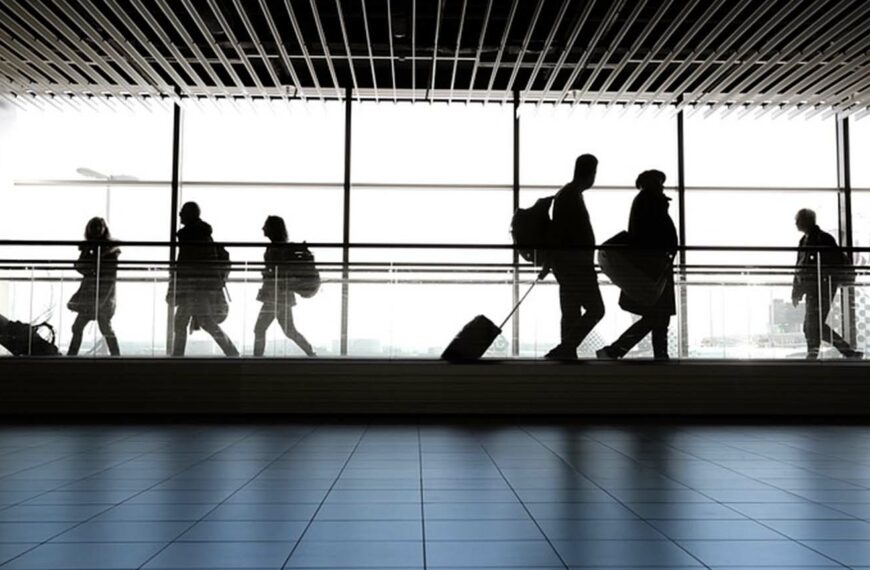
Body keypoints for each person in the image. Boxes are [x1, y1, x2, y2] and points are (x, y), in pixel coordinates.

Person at [597, 170, 677, 360]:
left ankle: (652, 354)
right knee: (658, 316)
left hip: (654, 266)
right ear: (650, 183)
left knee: (658, 316)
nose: (662, 186)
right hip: (654, 267)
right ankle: (617, 351)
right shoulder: (650, 202)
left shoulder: (646, 201)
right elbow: (651, 234)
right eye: (659, 182)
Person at [545, 154, 605, 360]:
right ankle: (565, 348)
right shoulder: (571, 195)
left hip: (567, 263)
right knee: (596, 309)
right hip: (576, 264)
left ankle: (567, 351)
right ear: (590, 173)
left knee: (571, 311)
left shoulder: (567, 194)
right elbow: (564, 233)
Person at [168, 202, 239, 357]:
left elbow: (183, 266)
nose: (179, 215)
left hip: (193, 287)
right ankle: (232, 352)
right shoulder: (204, 235)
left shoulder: (188, 236)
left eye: (182, 212)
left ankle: (177, 357)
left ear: (188, 214)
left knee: (182, 323)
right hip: (205, 286)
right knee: (204, 321)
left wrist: (174, 288)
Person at [791, 208, 862, 360]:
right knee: (813, 325)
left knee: (812, 324)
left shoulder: (820, 239)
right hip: (815, 288)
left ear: (806, 221)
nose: (795, 223)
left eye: (798, 219)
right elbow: (800, 267)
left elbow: (802, 267)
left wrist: (797, 290)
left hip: (822, 288)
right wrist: (796, 291)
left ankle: (814, 354)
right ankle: (845, 352)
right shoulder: (807, 240)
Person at [253, 216, 316, 357]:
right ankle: (311, 353)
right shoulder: (283, 247)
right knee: (289, 330)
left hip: (275, 294)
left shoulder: (276, 248)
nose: (263, 228)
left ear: (272, 229)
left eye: (266, 226)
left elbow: (276, 270)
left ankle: (257, 360)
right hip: (282, 293)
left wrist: (267, 272)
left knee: (260, 329)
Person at [67, 217, 120, 356]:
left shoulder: (104, 251)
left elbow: (81, 267)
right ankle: (116, 356)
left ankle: (72, 356)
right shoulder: (108, 250)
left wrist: (89, 266)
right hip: (99, 294)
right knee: (102, 328)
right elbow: (81, 266)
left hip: (99, 293)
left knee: (86, 327)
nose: (96, 230)